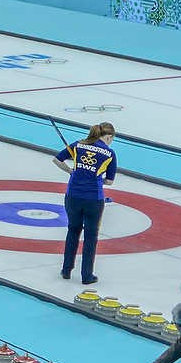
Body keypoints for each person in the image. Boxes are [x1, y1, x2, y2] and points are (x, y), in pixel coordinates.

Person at [54, 122, 118, 285]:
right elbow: (109, 181)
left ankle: (66, 270)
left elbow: (57, 159)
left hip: (73, 196)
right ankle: (86, 275)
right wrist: (96, 179)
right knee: (91, 237)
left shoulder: (78, 145)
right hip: (93, 199)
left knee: (73, 231)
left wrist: (71, 171)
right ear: (108, 137)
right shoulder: (109, 153)